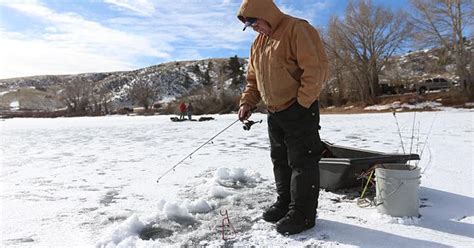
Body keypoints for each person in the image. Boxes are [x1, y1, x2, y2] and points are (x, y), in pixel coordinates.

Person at [236, 0, 329, 235]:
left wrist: (302, 102)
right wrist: (247, 102)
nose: (254, 29)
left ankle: (303, 214)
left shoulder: (297, 29)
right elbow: (253, 81)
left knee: (302, 161)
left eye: (254, 23)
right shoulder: (257, 44)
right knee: (280, 159)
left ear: (265, 13)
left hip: (299, 109)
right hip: (274, 112)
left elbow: (316, 69)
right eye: (250, 26)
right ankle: (286, 203)